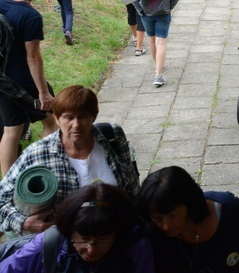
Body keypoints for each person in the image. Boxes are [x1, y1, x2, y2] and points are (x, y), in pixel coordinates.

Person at [0, 85, 140, 234]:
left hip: (116, 235)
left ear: (94, 115)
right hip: (66, 245)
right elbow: (2, 201)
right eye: (68, 117)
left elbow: (132, 189)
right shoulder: (37, 154)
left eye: (83, 116)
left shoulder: (112, 136)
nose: (76, 125)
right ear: (57, 118)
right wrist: (24, 223)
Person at [137, 165, 239, 273]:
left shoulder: (228, 209)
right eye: (158, 218)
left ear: (188, 204)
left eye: (172, 216)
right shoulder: (151, 233)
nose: (166, 226)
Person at [0, 184, 154, 272]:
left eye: (102, 240)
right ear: (69, 232)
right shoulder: (48, 246)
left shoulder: (136, 247)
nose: (91, 250)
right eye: (83, 239)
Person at [0, 0, 58, 177]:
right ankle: (47, 171)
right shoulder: (31, 17)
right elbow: (32, 57)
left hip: (2, 80)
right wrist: (43, 92)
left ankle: (7, 182)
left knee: (11, 130)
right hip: (25, 82)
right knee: (52, 120)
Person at [130, 0, 182, 88]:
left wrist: (139, 9)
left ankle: (157, 67)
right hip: (163, 11)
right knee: (161, 42)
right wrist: (171, 4)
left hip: (146, 12)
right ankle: (158, 75)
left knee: (151, 40)